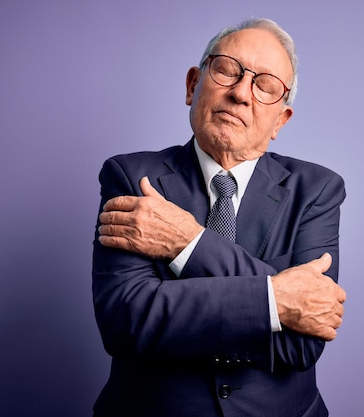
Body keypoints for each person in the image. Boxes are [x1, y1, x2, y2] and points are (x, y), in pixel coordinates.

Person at [92, 17, 347, 417]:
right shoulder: (131, 177)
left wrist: (186, 242)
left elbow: (302, 345)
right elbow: (128, 322)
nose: (241, 94)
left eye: (265, 86)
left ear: (281, 120)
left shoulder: (317, 190)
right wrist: (275, 299)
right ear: (194, 85)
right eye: (228, 70)